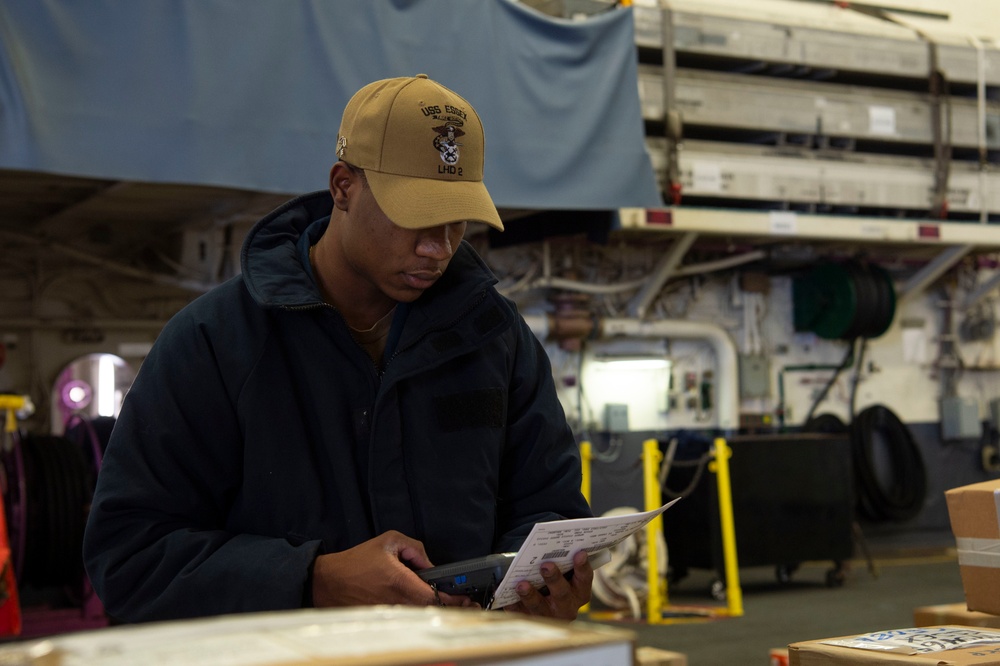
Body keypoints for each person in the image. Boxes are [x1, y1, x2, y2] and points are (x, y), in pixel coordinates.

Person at [83, 74, 594, 623]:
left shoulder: (495, 335)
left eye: (456, 221)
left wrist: (543, 580)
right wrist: (314, 579)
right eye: (415, 215)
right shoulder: (214, 343)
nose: (437, 247)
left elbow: (549, 507)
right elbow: (130, 558)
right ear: (343, 186)